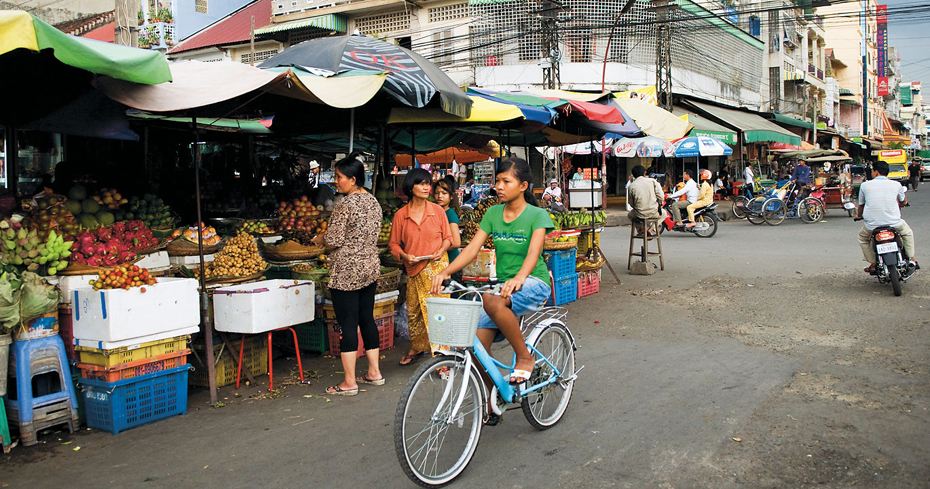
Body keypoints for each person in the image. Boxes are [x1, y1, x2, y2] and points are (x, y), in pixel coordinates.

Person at [431, 157, 553, 395]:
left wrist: (519, 278)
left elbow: (533, 253)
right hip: (503, 288)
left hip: (533, 283)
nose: (499, 186)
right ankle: (491, 400)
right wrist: (446, 270)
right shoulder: (493, 213)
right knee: (476, 348)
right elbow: (471, 249)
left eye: (506, 181)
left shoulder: (537, 215)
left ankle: (524, 357)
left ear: (523, 186)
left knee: (489, 299)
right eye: (498, 181)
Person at [310, 153, 383, 396]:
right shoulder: (373, 202)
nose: (336, 181)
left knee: (348, 324)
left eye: (339, 177)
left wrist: (320, 239)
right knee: (367, 319)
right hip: (370, 267)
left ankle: (349, 382)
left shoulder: (345, 205)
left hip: (346, 271)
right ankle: (374, 372)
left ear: (352, 179)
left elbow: (334, 240)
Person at [389, 168, 453, 366]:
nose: (426, 187)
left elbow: (448, 238)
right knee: (414, 312)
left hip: (436, 268)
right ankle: (417, 347)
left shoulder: (438, 211)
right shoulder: (401, 215)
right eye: (421, 183)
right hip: (413, 269)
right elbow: (393, 244)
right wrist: (405, 255)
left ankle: (443, 357)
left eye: (428, 184)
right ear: (411, 187)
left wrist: (441, 250)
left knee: (437, 313)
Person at [856, 161, 918, 273]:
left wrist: (858, 216)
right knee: (907, 233)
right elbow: (902, 200)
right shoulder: (896, 185)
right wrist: (903, 203)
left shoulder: (865, 185)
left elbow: (861, 205)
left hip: (872, 225)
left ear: (876, 172)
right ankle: (912, 259)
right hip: (894, 223)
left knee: (863, 238)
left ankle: (873, 263)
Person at [433, 178, 461, 264]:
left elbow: (456, 242)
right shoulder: (436, 213)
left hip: (451, 261)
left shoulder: (450, 214)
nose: (440, 196)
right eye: (437, 193)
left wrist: (437, 249)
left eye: (444, 193)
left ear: (451, 196)